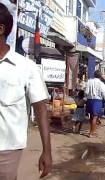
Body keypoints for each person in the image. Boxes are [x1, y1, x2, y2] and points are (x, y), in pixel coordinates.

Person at [0, 3, 52, 179]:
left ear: (1, 29)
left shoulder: (25, 67)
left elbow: (40, 109)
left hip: (6, 149)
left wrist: (47, 151)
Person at [85, 70, 105, 138]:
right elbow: (104, 93)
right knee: (95, 117)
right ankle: (91, 133)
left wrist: (85, 99)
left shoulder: (89, 81)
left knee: (91, 117)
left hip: (89, 101)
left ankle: (91, 130)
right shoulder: (101, 83)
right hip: (97, 101)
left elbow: (86, 92)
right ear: (100, 76)